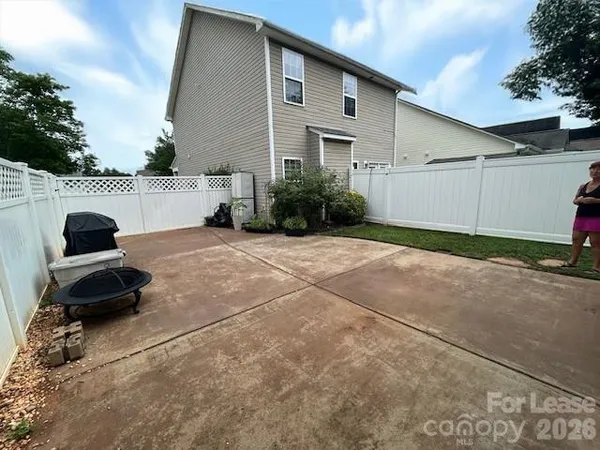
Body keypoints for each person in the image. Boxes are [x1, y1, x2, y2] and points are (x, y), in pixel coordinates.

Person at [564, 161, 600, 272]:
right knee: (576, 239)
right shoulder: (583, 186)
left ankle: (597, 266)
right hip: (581, 216)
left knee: (595, 242)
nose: (595, 171)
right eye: (593, 169)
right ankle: (572, 262)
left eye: (599, 169)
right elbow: (574, 200)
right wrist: (578, 200)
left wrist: (596, 201)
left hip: (596, 217)